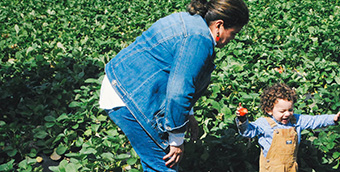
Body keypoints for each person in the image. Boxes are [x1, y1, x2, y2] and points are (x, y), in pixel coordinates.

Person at [98, 0, 249, 171]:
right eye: (234, 33)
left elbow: (180, 73)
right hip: (130, 98)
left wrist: (188, 114)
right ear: (219, 25)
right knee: (165, 165)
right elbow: (179, 92)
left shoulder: (190, 21)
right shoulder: (198, 39)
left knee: (153, 160)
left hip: (123, 85)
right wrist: (176, 140)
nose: (232, 39)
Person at [235, 83, 340, 172]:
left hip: (291, 168)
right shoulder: (264, 123)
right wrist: (243, 120)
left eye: (290, 110)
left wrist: (333, 119)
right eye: (282, 111)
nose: (287, 114)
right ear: (269, 110)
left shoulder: (296, 121)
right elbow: (248, 132)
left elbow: (314, 121)